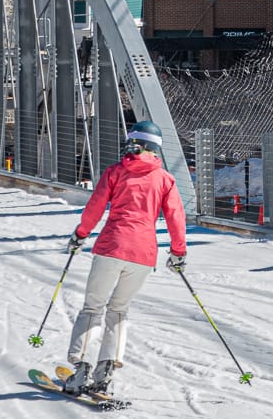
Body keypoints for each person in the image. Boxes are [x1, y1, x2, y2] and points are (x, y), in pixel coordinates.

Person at [61, 120, 187, 398]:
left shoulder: (116, 172)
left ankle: (81, 368)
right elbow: (176, 218)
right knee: (118, 310)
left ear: (135, 144)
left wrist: (81, 234)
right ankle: (105, 372)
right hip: (143, 255)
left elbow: (95, 207)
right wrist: (178, 252)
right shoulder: (165, 179)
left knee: (93, 307)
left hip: (111, 247)